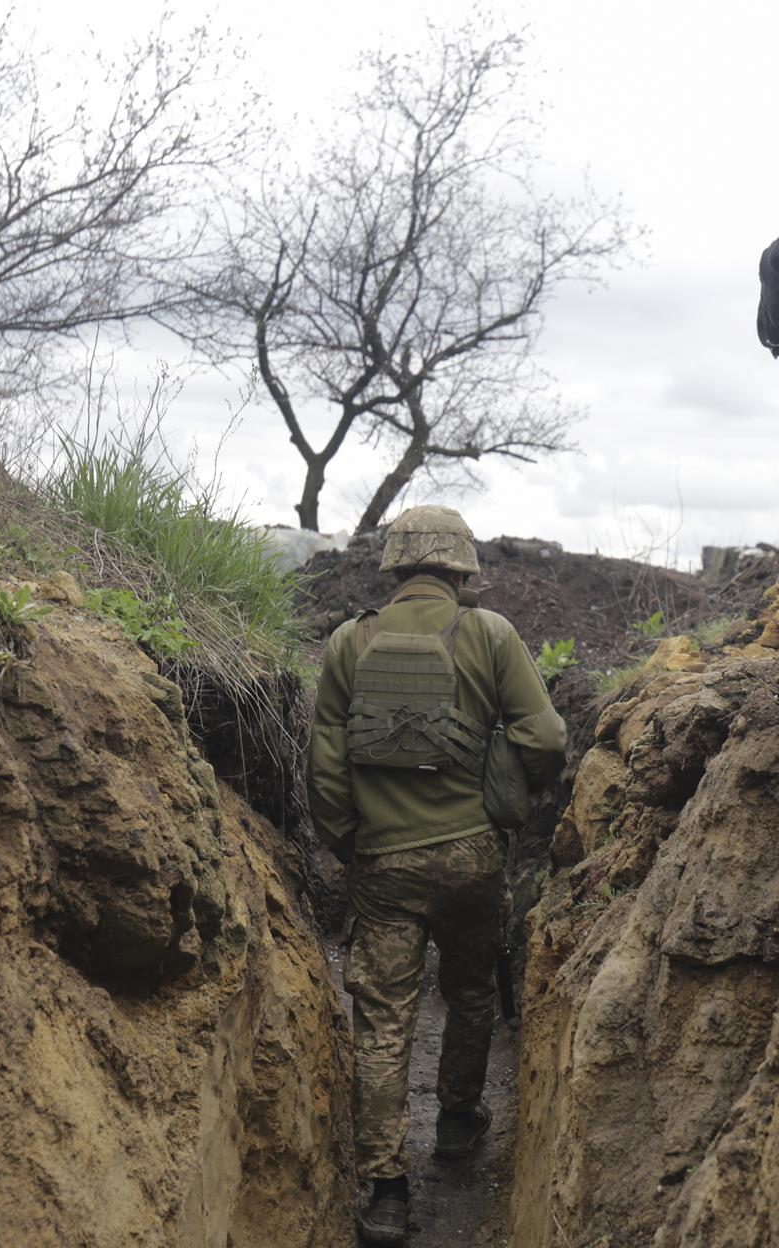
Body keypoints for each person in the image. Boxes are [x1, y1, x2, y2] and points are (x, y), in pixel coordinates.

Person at [309, 505, 568, 1247]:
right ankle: (457, 1119)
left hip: (382, 865)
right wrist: (515, 793)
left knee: (385, 1019)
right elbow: (544, 735)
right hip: (471, 857)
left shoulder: (348, 642)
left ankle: (386, 1192)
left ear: (393, 568)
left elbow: (325, 764)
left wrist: (349, 840)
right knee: (471, 989)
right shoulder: (490, 634)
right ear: (461, 569)